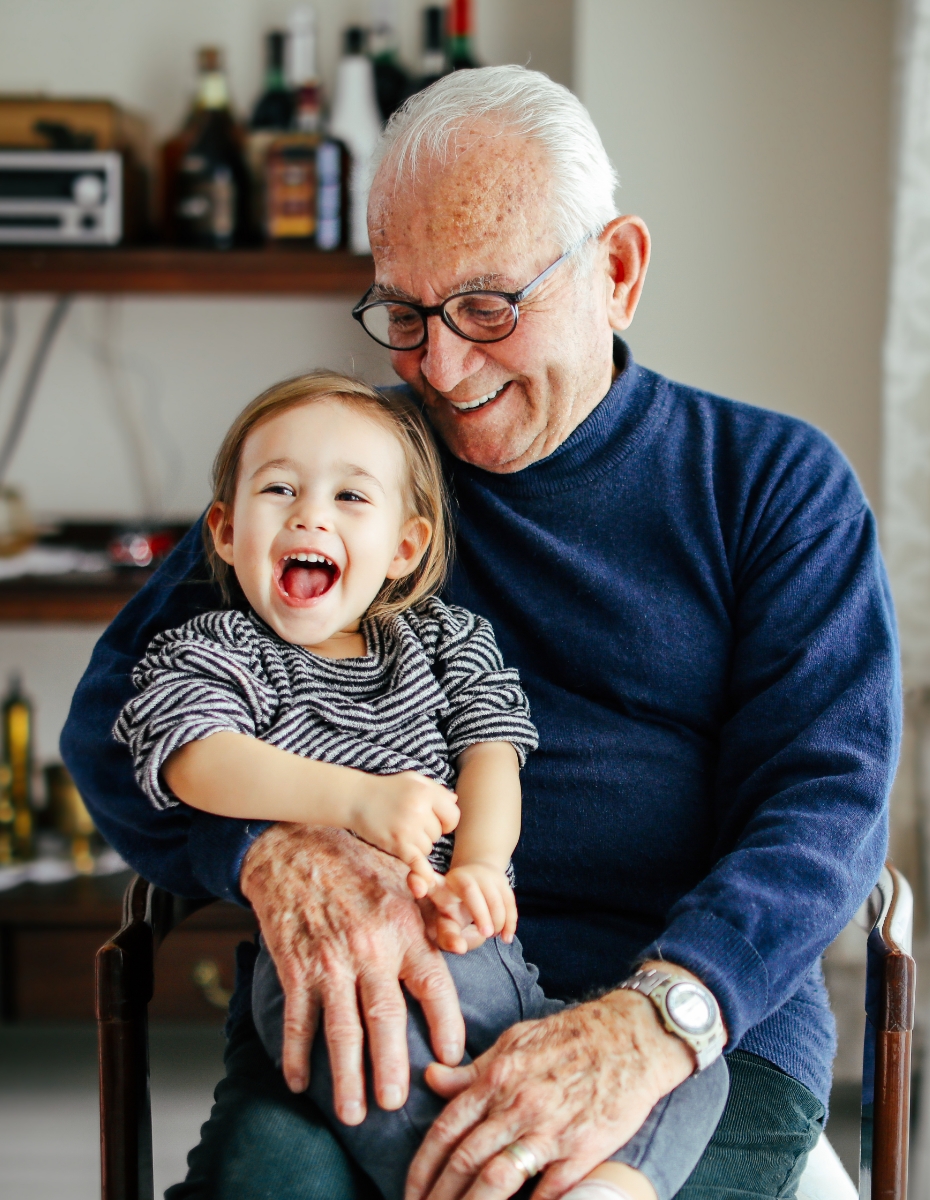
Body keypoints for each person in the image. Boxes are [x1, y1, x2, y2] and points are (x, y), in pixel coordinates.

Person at [62, 66, 899, 1200]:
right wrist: (269, 848)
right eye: (404, 313)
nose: (441, 371)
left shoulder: (772, 485)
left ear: (617, 272)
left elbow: (827, 802)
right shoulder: (350, 477)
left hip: (684, 1021)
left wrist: (650, 1025)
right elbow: (119, 718)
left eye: (488, 308)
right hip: (383, 998)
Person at [113, 370, 729, 1200]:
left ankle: (608, 1187)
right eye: (280, 488)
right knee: (379, 1071)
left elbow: (494, 754)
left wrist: (478, 863)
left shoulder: (444, 642)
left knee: (692, 1066)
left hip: (490, 963)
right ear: (224, 530)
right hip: (337, 969)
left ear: (405, 546)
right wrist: (354, 801)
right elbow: (195, 757)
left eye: (350, 497)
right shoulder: (219, 650)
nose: (310, 514)